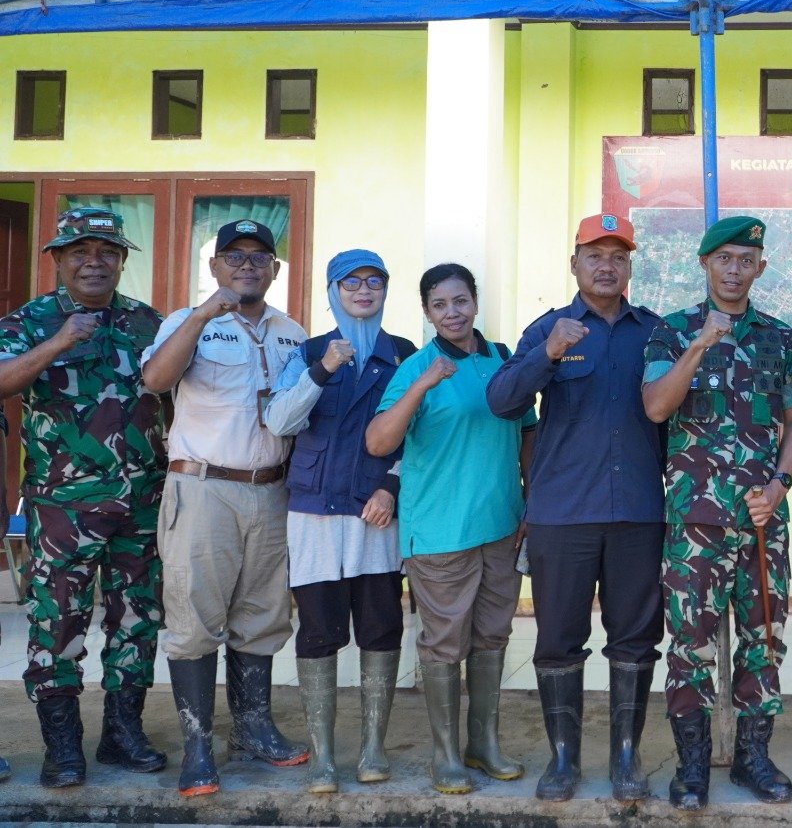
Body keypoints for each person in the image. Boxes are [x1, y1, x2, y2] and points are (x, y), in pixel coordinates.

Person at [486, 213, 666, 802]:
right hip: (562, 514)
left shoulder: (655, 332)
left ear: (630, 266)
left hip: (638, 510)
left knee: (635, 638)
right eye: (595, 255)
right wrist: (548, 353)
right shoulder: (547, 329)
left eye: (618, 256)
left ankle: (625, 756)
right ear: (574, 264)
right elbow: (502, 401)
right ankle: (563, 759)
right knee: (558, 639)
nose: (606, 266)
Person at [641, 215, 792, 811]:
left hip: (762, 521)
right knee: (690, 644)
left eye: (746, 260)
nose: (735, 270)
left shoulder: (779, 337)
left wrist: (781, 485)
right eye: (724, 259)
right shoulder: (672, 331)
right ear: (705, 264)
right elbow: (656, 407)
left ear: (760, 266)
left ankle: (752, 757)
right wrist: (700, 345)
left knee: (764, 639)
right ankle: (692, 766)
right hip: (695, 523)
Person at [141, 218, 310, 797]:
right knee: (194, 619)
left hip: (271, 490)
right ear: (214, 267)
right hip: (204, 488)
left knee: (262, 616)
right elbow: (156, 379)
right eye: (234, 256)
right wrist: (201, 315)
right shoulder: (187, 321)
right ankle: (198, 745)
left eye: (258, 257)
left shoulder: (292, 332)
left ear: (274, 270)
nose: (246, 265)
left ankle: (253, 729)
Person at [0, 208, 166, 787]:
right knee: (58, 624)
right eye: (80, 251)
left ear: (121, 260)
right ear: (57, 259)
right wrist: (59, 341)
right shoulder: (31, 320)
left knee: (137, 620)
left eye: (107, 252)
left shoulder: (149, 322)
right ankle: (63, 748)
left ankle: (122, 734)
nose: (94, 262)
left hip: (141, 502)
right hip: (62, 508)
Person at [365, 262, 534, 795]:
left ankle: (483, 744)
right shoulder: (417, 367)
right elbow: (378, 441)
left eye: (460, 301)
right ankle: (445, 755)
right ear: (426, 312)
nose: (452, 312)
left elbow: (528, 433)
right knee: (443, 644)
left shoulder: (503, 359)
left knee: (492, 636)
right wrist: (422, 384)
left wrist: (531, 501)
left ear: (475, 302)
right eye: (439, 305)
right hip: (440, 532)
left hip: (501, 525)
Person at [264, 249, 416, 793]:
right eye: (351, 282)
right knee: (319, 631)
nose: (363, 290)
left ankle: (374, 747)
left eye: (375, 281)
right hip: (314, 514)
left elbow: (423, 433)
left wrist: (391, 486)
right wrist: (322, 369)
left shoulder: (404, 354)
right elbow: (279, 421)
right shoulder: (308, 352)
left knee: (381, 627)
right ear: (332, 291)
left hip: (376, 512)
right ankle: (324, 757)